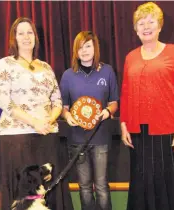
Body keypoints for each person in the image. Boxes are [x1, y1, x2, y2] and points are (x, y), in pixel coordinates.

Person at [0, 17, 73, 210]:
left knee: (50, 189)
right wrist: (33, 122)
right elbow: (4, 100)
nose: (26, 37)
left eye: (29, 32)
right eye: (20, 33)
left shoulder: (46, 67)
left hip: (47, 135)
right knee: (23, 194)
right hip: (17, 135)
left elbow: (57, 100)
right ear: (14, 38)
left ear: (35, 37)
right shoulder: (5, 64)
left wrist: (49, 120)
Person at [120, 2, 174, 210]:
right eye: (141, 23)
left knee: (170, 184)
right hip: (139, 134)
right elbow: (126, 93)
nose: (146, 26)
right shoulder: (130, 57)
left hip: (170, 132)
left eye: (151, 21)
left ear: (160, 26)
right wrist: (123, 125)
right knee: (142, 182)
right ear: (136, 29)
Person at [60, 31, 119, 210]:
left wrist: (108, 111)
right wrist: (67, 116)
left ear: (95, 48)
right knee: (84, 186)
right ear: (75, 51)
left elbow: (114, 102)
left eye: (88, 46)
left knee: (101, 185)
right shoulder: (68, 75)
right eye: (80, 47)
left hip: (100, 138)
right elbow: (63, 106)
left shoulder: (107, 71)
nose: (84, 51)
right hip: (77, 140)